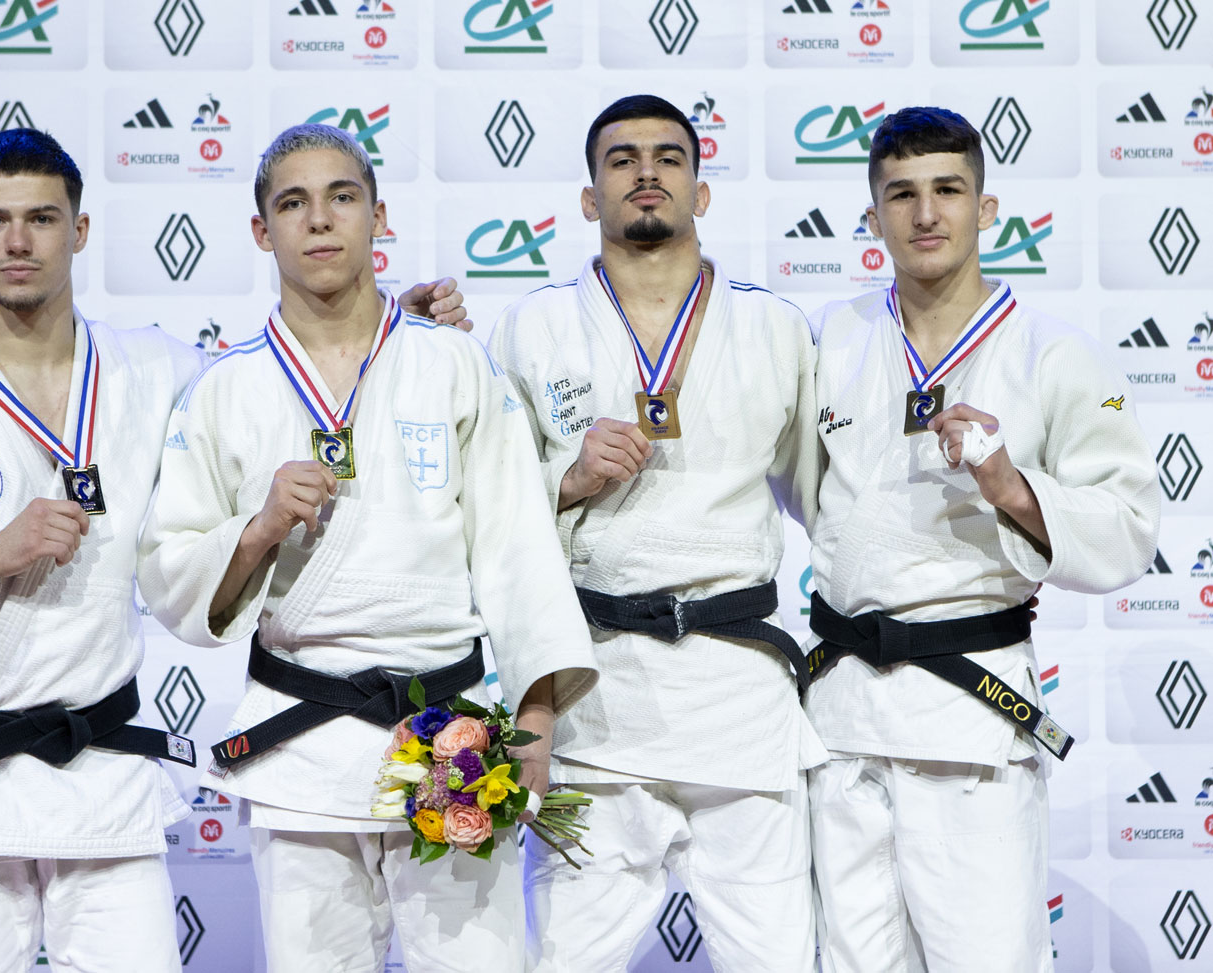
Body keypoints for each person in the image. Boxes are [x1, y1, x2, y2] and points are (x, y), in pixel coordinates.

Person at [0, 127, 470, 973]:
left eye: (42, 218)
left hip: (102, 770)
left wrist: (385, 339)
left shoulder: (154, 369)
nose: (17, 241)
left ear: (79, 231)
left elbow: (268, 385)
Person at [136, 124, 598, 973]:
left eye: (341, 197)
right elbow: (169, 574)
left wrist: (534, 714)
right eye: (293, 203)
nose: (319, 221)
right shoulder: (223, 388)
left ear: (377, 216)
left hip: (453, 749)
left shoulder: (454, 362)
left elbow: (518, 546)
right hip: (301, 753)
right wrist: (260, 527)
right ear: (259, 230)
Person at [804, 106, 1160, 972]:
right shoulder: (834, 337)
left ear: (985, 207)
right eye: (902, 194)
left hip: (967, 715)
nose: (926, 214)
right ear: (874, 215)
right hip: (842, 717)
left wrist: (1011, 487)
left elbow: (1128, 528)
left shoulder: (1055, 353)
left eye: (948, 190)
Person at [488, 95, 824, 972]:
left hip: (740, 690)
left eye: (670, 157)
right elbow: (488, 516)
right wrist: (569, 479)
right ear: (589, 197)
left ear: (701, 191)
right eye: (623, 158)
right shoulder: (532, 326)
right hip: (600, 691)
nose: (647, 173)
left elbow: (826, 499)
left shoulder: (775, 326)